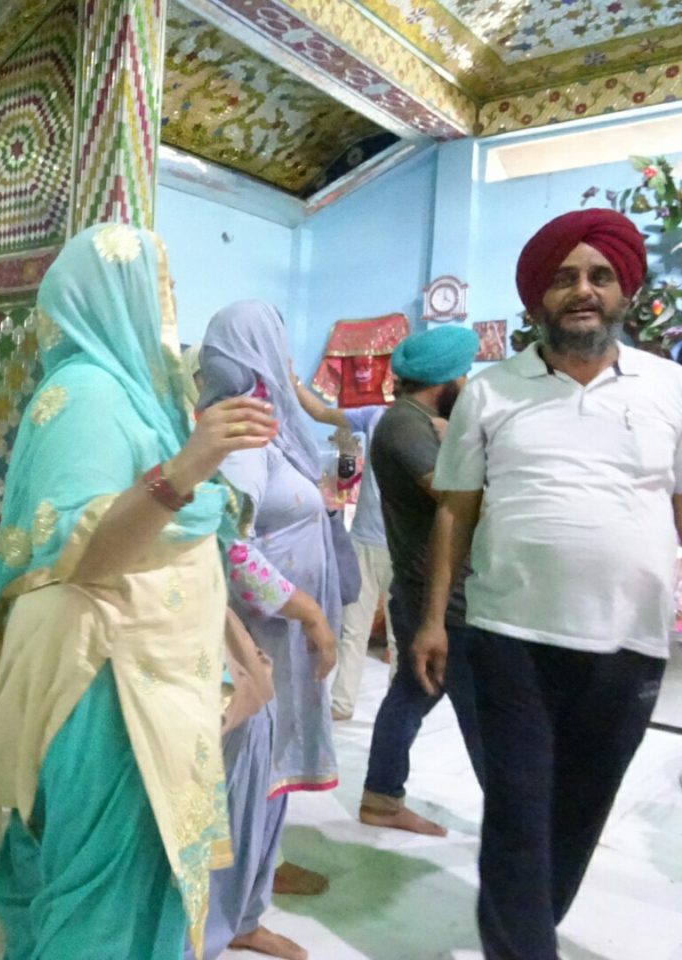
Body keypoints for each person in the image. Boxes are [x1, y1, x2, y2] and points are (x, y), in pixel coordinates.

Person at [0, 224, 278, 960]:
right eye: (159, 291)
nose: (169, 310)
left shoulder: (139, 398)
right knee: (104, 892)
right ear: (114, 298)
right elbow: (90, 554)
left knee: (110, 874)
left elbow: (181, 547)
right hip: (108, 673)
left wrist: (235, 646)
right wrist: (189, 467)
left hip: (136, 663)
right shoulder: (87, 395)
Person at [415, 208, 682, 960]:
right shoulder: (491, 392)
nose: (582, 290)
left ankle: (527, 932)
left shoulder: (670, 388)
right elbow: (455, 512)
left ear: (626, 291)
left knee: (577, 815)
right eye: (564, 278)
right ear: (539, 297)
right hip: (510, 637)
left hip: (629, 641)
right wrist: (433, 619)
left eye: (599, 276)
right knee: (518, 816)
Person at [198, 301, 342, 913]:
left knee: (269, 768)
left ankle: (252, 891)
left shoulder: (267, 427)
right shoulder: (244, 430)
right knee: (250, 770)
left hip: (277, 633)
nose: (287, 362)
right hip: (262, 635)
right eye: (278, 346)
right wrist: (309, 612)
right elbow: (231, 549)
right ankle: (234, 910)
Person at [357, 325, 485, 837]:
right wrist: (466, 445)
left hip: (437, 589)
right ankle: (518, 821)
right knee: (483, 707)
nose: (468, 384)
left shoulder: (419, 421)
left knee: (414, 692)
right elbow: (459, 502)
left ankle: (382, 797)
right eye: (464, 374)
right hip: (440, 596)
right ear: (445, 380)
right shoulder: (406, 426)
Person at [291, 375, 394, 719]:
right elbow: (321, 413)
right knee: (354, 628)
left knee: (397, 635)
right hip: (367, 541)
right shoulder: (374, 416)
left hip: (403, 546)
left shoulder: (433, 424)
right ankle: (343, 703)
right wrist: (294, 384)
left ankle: (395, 707)